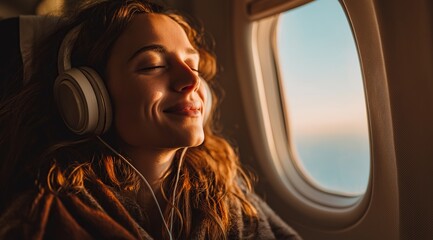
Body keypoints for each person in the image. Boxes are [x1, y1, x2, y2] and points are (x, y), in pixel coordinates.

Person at [0, 0, 301, 239]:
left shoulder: (223, 187)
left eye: (193, 65)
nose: (191, 81)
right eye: (153, 65)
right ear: (89, 96)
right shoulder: (45, 216)